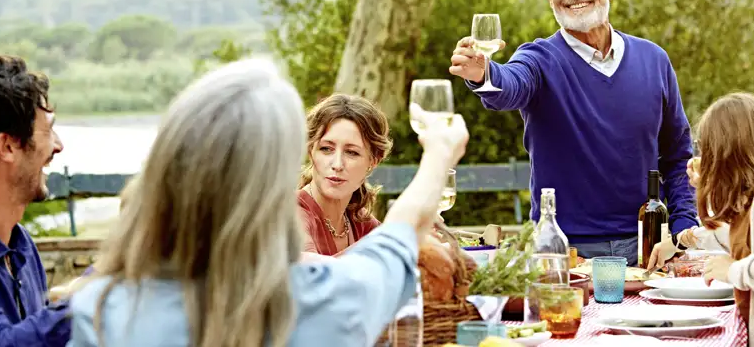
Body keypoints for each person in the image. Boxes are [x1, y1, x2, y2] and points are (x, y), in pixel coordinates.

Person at [67, 58, 468, 347]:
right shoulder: (319, 303)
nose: (335, 163)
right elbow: (399, 236)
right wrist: (438, 156)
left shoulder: (97, 313)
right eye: (323, 148)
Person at [450, 0, 697, 266]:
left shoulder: (654, 59)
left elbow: (678, 156)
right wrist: (483, 73)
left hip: (650, 248)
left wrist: (683, 225)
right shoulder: (538, 59)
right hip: (563, 253)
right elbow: (508, 86)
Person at [647, 93, 754, 347]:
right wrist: (679, 242)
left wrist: (734, 270)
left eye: (708, 150)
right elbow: (732, 234)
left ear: (728, 154)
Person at [0, 54, 71, 347]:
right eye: (48, 130)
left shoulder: (21, 247)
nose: (59, 146)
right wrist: (109, 285)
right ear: (7, 146)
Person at [297, 94, 392, 256]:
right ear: (310, 151)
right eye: (326, 149)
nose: (337, 165)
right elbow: (310, 274)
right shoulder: (291, 213)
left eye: (351, 152)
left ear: (373, 161)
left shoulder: (359, 221)